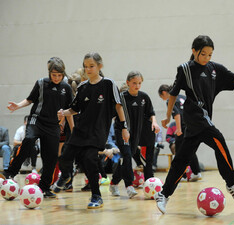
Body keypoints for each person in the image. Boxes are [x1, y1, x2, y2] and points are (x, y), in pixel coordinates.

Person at [154, 35, 234, 214]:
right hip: (195, 117)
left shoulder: (215, 69)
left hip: (199, 124)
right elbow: (173, 94)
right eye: (203, 54)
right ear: (194, 51)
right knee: (219, 141)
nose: (207, 57)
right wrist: (168, 116)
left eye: (210, 54)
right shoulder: (185, 69)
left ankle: (163, 194)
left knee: (181, 160)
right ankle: (231, 184)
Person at [52, 52, 130, 209]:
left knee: (89, 160)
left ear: (100, 66)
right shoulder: (82, 87)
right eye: (85, 66)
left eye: (91, 66)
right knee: (65, 156)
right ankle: (66, 176)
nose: (88, 69)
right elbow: (74, 109)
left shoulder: (109, 84)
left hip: (98, 131)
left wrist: (124, 127)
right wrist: (63, 112)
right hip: (81, 130)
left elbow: (118, 106)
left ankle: (96, 196)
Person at [1, 57, 73, 199]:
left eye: (59, 75)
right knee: (28, 139)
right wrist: (17, 106)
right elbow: (30, 99)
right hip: (37, 120)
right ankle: (11, 171)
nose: (57, 78)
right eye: (54, 75)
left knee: (51, 157)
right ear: (49, 73)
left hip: (53, 125)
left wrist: (73, 129)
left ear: (63, 74)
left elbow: (70, 110)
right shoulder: (41, 83)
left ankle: (44, 188)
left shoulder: (67, 88)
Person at [109, 71, 160, 197]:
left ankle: (114, 183)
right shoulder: (121, 98)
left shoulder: (144, 97)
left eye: (139, 83)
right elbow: (113, 115)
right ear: (128, 83)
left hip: (135, 134)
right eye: (134, 83)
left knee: (125, 159)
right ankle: (129, 186)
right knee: (126, 156)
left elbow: (151, 113)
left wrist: (154, 122)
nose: (137, 86)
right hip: (122, 132)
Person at [159, 84, 202, 181]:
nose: (163, 99)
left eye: (162, 97)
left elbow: (177, 114)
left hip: (182, 127)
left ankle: (180, 176)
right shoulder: (182, 96)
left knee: (178, 152)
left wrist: (178, 129)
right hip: (192, 125)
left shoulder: (171, 99)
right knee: (190, 149)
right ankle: (196, 172)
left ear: (164, 93)